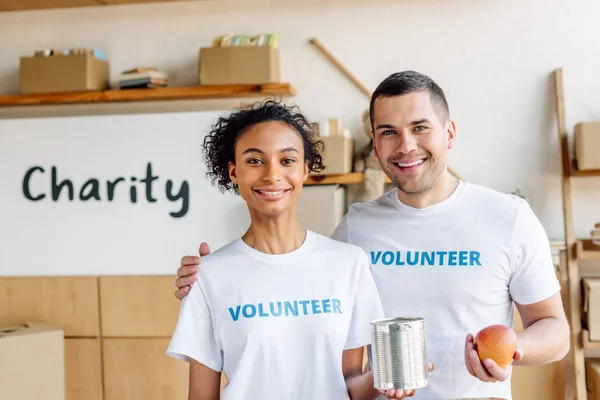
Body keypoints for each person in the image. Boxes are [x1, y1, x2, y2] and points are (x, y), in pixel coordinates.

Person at [174, 71, 570, 400]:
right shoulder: (357, 227)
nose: (406, 146)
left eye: (419, 128)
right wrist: (210, 275)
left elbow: (555, 331)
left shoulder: (507, 217)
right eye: (388, 133)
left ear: (449, 133)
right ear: (375, 149)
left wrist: (513, 351)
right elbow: (293, 274)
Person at [165, 99, 419, 400]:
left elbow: (350, 384)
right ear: (233, 172)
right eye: (255, 161)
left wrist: (385, 381)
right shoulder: (208, 276)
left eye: (287, 160)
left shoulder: (348, 264)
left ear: (305, 170)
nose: (272, 175)